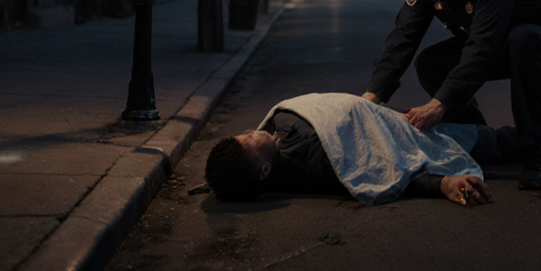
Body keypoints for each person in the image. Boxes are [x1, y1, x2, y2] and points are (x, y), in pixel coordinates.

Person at [362, 0, 541, 190]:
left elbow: (483, 45)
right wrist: (372, 96)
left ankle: (536, 150)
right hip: (494, 44)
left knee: (524, 38)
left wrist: (439, 104)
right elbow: (403, 37)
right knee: (429, 63)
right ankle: (481, 140)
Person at [205, 92, 514, 206]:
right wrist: (444, 184)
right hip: (404, 135)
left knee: (461, 122)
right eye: (248, 141)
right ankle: (526, 143)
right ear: (264, 170)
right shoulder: (318, 164)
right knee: (490, 141)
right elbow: (381, 169)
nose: (249, 131)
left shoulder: (276, 141)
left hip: (390, 118)